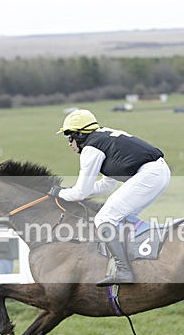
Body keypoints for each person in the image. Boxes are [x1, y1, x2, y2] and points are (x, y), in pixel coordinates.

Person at [47, 109, 171, 286]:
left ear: (79, 135)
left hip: (149, 174)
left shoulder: (91, 149)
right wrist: (70, 191)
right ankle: (137, 260)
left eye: (69, 137)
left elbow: (80, 193)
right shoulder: (103, 139)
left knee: (104, 218)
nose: (69, 144)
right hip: (157, 172)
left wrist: (59, 192)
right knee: (121, 218)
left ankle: (124, 271)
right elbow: (106, 185)